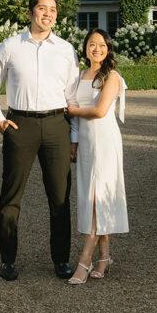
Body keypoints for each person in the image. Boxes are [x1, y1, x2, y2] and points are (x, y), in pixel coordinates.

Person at [0, 0, 80, 282]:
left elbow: (73, 97)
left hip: (57, 126)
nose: (47, 14)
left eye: (53, 9)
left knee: (60, 198)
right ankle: (7, 261)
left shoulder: (66, 50)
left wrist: (74, 136)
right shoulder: (10, 47)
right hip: (20, 125)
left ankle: (61, 260)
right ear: (30, 13)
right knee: (11, 197)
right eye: (42, 8)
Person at [65, 28, 128, 285]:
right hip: (87, 145)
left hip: (105, 143)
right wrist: (74, 142)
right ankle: (105, 257)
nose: (96, 49)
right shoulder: (80, 76)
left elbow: (100, 111)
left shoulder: (112, 76)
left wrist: (72, 110)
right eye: (92, 44)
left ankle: (84, 261)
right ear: (85, 48)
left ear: (108, 48)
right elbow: (76, 118)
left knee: (95, 199)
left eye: (101, 45)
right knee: (93, 197)